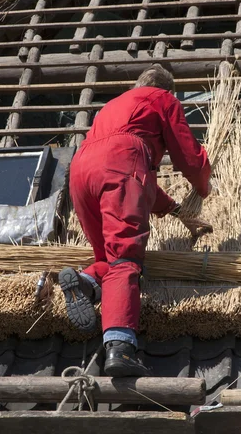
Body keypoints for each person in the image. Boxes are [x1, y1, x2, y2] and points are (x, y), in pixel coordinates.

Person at [59, 64, 212, 377]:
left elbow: (135, 177)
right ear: (167, 90)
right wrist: (203, 186)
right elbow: (188, 157)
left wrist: (178, 211)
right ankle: (120, 348)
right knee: (125, 260)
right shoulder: (162, 100)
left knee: (107, 257)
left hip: (81, 171)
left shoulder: (112, 108)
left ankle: (84, 283)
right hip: (120, 167)